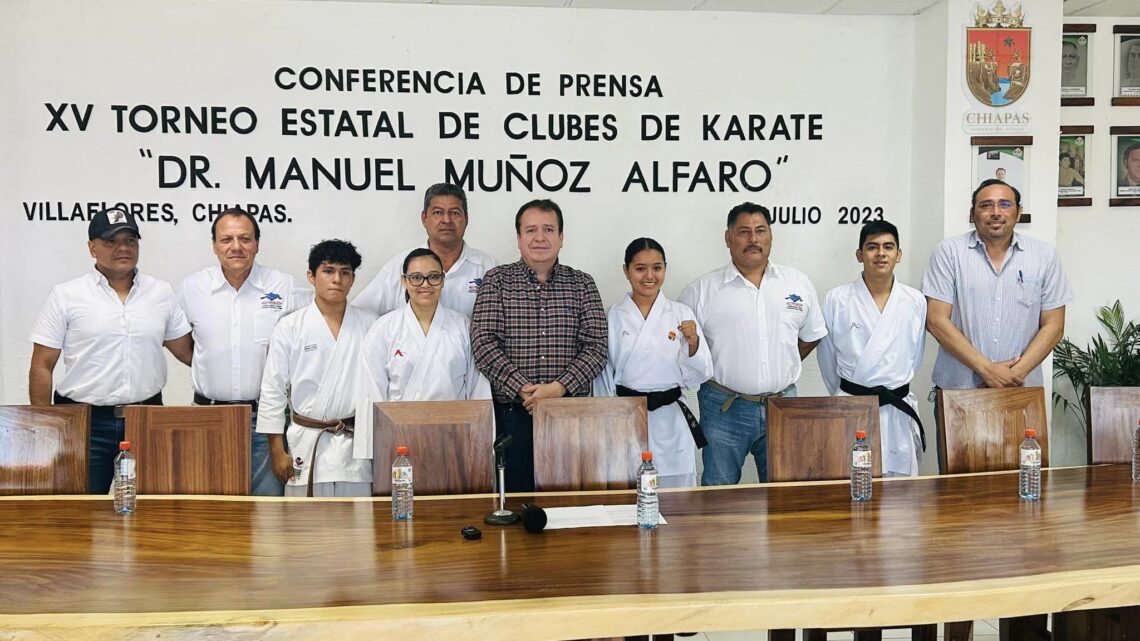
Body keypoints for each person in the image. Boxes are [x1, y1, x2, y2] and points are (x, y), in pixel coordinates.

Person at [29, 206, 192, 493]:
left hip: (146, 419)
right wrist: (45, 427)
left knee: (152, 514)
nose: (122, 248)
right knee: (79, 516)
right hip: (84, 423)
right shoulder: (66, 296)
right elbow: (42, 365)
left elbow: (189, 353)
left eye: (130, 240)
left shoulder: (161, 293)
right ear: (92, 248)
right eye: (111, 241)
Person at [679, 203, 827, 485]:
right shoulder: (701, 291)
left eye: (760, 231)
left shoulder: (796, 282)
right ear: (728, 238)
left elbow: (812, 334)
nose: (753, 240)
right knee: (718, 497)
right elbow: (686, 351)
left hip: (783, 406)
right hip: (723, 407)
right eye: (744, 232)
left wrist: (780, 364)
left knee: (786, 496)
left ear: (771, 236)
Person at [470, 199, 607, 493]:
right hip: (512, 415)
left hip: (570, 414)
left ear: (561, 237)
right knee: (518, 506)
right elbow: (484, 344)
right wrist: (525, 390)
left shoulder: (582, 283)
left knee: (572, 504)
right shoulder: (496, 281)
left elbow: (596, 347)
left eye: (548, 229)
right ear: (519, 238)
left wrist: (557, 389)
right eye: (530, 230)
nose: (540, 237)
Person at [177, 208, 311, 496]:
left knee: (267, 515)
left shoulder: (283, 286)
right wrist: (209, 364)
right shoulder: (192, 288)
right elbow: (181, 343)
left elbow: (312, 329)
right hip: (207, 418)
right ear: (214, 245)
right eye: (226, 239)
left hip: (265, 422)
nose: (236, 247)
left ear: (257, 244)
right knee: (209, 509)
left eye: (245, 239)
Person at [923, 179, 1072, 421]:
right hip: (960, 393)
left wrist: (1011, 376)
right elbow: (936, 320)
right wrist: (988, 370)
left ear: (1018, 212)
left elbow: (1054, 325)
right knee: (959, 461)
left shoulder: (1044, 256)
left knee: (1023, 460)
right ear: (972, 214)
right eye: (986, 205)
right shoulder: (949, 253)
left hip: (1020, 391)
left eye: (1004, 204)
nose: (995, 213)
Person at [258, 240, 377, 497]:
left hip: (356, 444)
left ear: (353, 279)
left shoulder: (371, 325)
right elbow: (273, 391)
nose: (337, 279)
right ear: (311, 276)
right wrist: (277, 451)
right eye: (328, 271)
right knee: (306, 531)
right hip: (306, 442)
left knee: (359, 530)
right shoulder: (290, 327)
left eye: (345, 272)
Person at [354, 248, 491, 462]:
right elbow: (371, 394)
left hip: (455, 439)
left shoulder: (463, 327)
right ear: (404, 281)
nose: (425, 284)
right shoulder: (383, 330)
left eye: (434, 277)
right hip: (398, 441)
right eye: (416, 278)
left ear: (443, 280)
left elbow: (478, 391)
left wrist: (481, 444)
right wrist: (375, 453)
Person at [600, 238, 712, 488]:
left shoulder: (682, 314)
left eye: (657, 268)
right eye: (640, 268)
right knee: (627, 486)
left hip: (670, 416)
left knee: (677, 495)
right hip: (626, 416)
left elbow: (699, 374)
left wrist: (693, 342)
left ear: (665, 269)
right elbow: (604, 375)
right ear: (626, 270)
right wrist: (609, 417)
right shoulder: (612, 316)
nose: (649, 276)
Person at [817, 220, 926, 477]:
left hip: (897, 406)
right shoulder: (837, 298)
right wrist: (849, 393)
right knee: (852, 484)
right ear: (859, 254)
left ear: (898, 255)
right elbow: (827, 358)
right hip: (852, 405)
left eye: (888, 247)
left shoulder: (915, 301)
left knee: (900, 499)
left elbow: (914, 355)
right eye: (872, 247)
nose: (880, 254)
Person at [353, 183, 496, 319]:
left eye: (454, 213)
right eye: (438, 213)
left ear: (466, 218)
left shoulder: (488, 267)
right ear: (424, 218)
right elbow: (361, 316)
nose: (446, 220)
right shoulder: (400, 266)